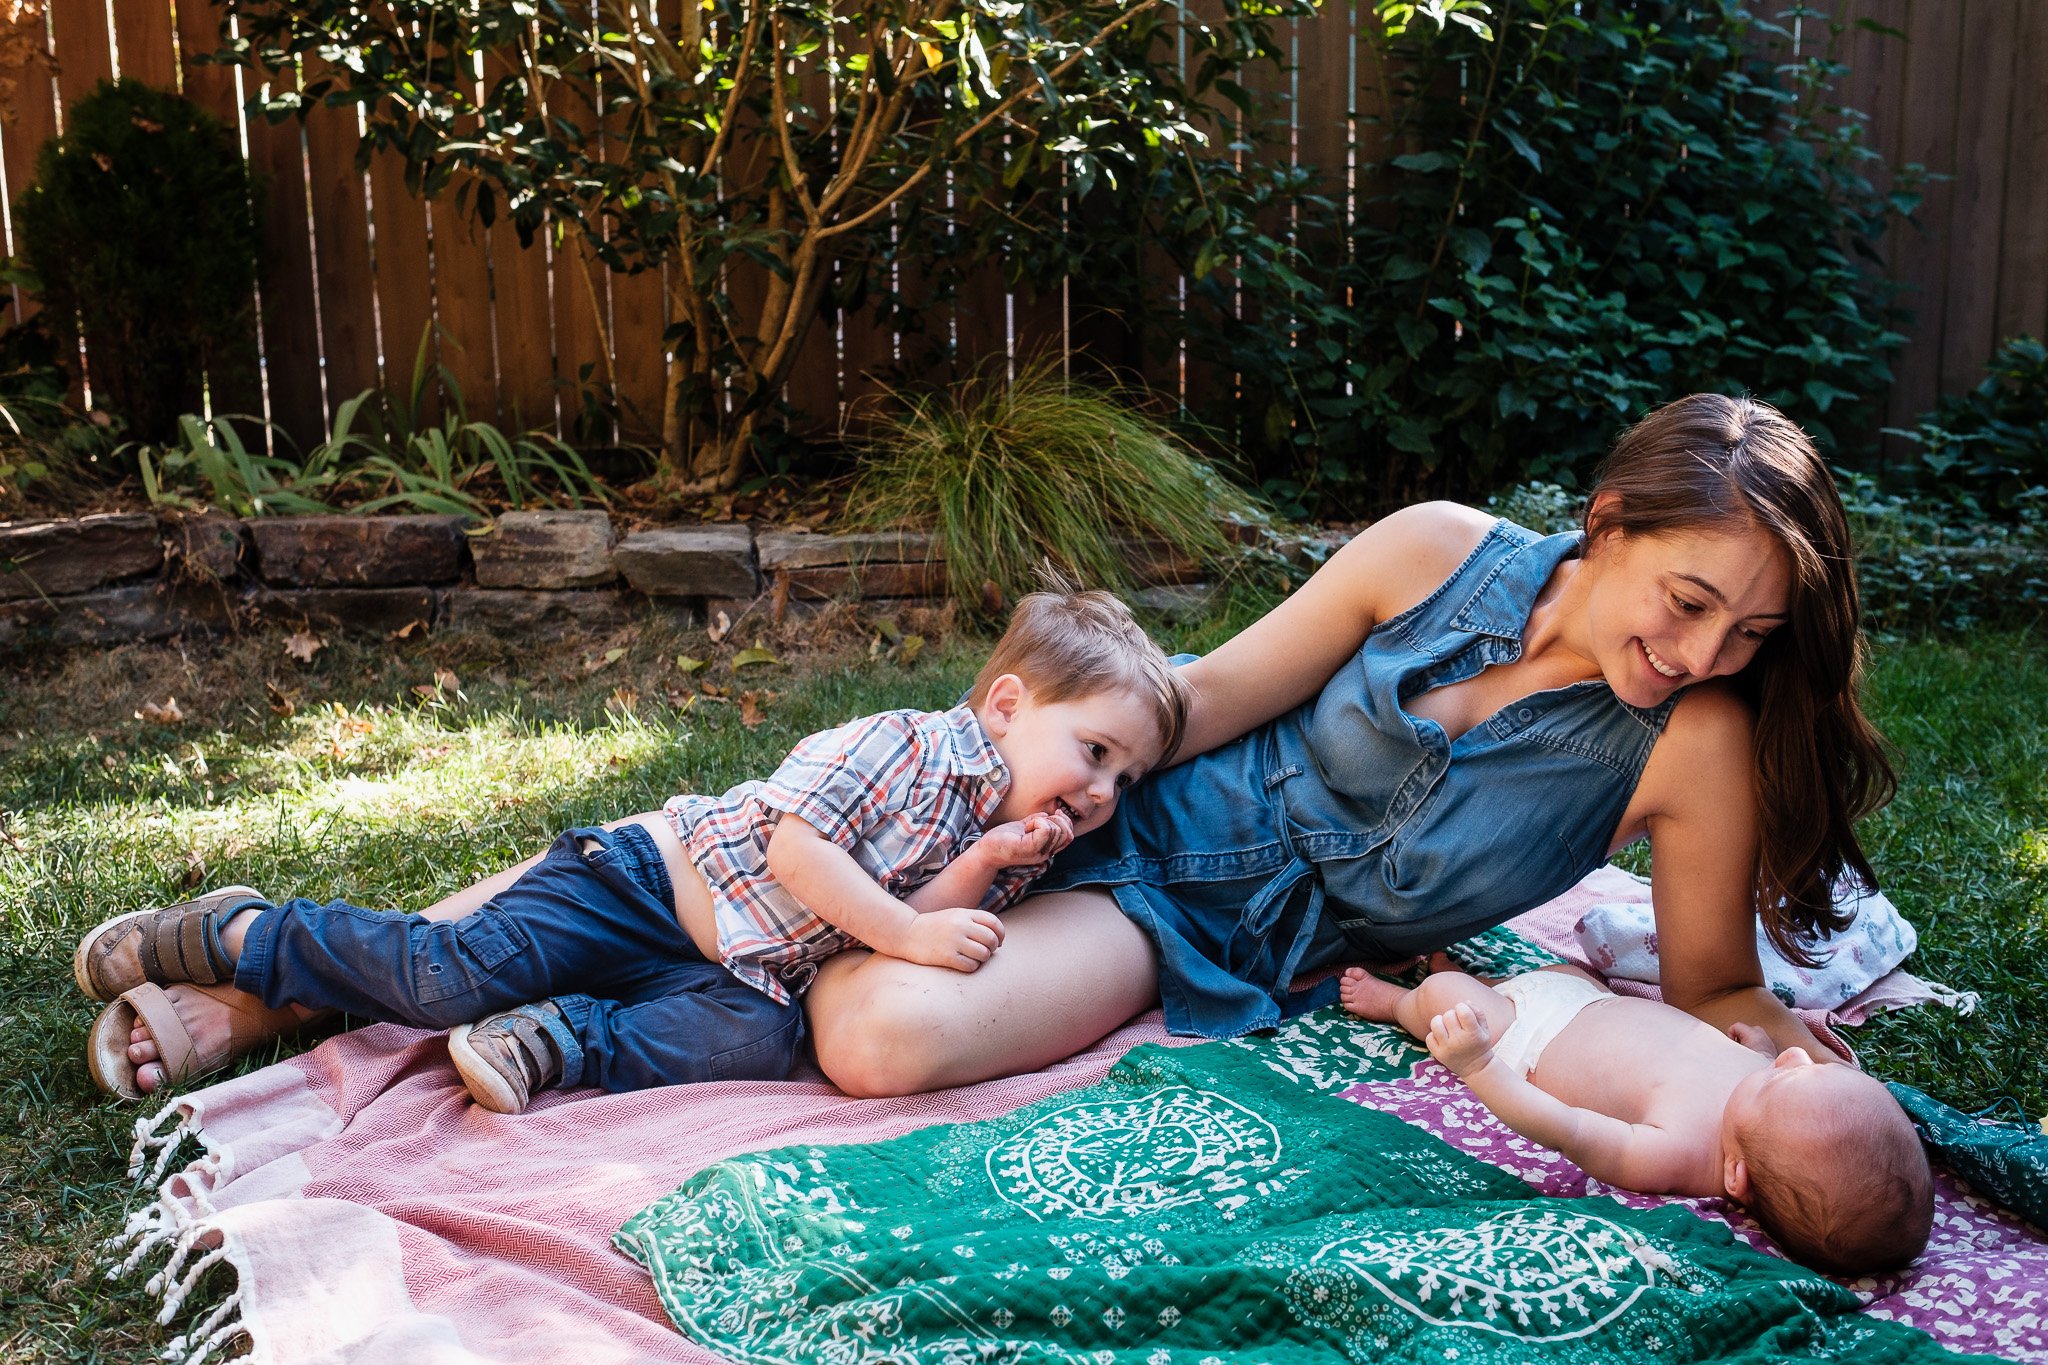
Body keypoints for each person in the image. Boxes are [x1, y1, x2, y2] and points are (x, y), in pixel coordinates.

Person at [794, 393, 1899, 1097]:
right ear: (1608, 522)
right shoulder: (1433, 550)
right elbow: (1208, 695)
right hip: (1138, 820)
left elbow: (1709, 985)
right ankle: (767, 895)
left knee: (881, 1037)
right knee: (809, 885)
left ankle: (797, 935)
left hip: (1196, 939)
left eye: (1749, 635)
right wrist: (983, 772)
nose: (1703, 653)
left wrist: (1775, 1048)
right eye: (1687, 600)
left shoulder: (1692, 742)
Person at [78, 587, 1187, 1110]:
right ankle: (240, 934)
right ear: (1003, 705)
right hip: (645, 889)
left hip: (738, 967)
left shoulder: (1008, 828)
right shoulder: (900, 746)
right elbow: (802, 855)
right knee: (445, 973)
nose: (1099, 791)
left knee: (751, 1042)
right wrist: (909, 924)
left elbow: (917, 920)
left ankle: (560, 1040)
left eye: (1122, 778)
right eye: (1091, 751)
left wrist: (985, 868)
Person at [1339, 957, 1933, 1274]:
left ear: (1737, 1180)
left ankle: (1398, 1003)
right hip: (1587, 998)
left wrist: (1480, 1067)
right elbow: (1774, 1074)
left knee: (1447, 995)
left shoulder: (1677, 1152)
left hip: (1528, 1039)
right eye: (1811, 1065)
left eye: (1785, 1075)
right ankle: (1496, 981)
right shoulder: (1763, 1105)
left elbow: (1567, 1129)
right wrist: (1759, 1053)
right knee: (1561, 971)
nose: (1796, 1054)